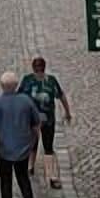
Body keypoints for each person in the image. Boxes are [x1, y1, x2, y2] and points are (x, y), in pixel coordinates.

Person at [19, 54, 73, 188]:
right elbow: (61, 96)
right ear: (44, 67)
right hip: (45, 119)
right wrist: (67, 112)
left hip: (33, 120)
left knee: (34, 144)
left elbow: (19, 98)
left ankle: (31, 168)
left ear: (34, 68)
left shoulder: (28, 80)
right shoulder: (50, 81)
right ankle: (51, 176)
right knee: (46, 147)